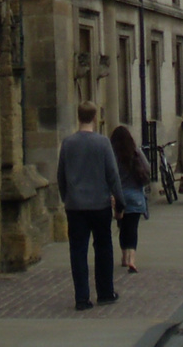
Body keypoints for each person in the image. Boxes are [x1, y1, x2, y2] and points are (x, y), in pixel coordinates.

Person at [56, 101, 124, 311]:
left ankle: (82, 298)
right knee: (103, 247)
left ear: (79, 117)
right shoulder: (102, 143)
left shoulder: (68, 143)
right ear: (95, 118)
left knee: (78, 251)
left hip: (75, 206)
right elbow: (113, 175)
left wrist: (67, 197)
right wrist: (120, 201)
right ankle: (105, 293)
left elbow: (61, 176)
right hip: (99, 205)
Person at [110, 125, 151, 273]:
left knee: (123, 228)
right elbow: (147, 168)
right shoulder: (136, 152)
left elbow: (110, 175)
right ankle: (132, 259)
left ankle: (124, 256)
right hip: (136, 197)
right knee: (133, 228)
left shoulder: (113, 155)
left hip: (120, 197)